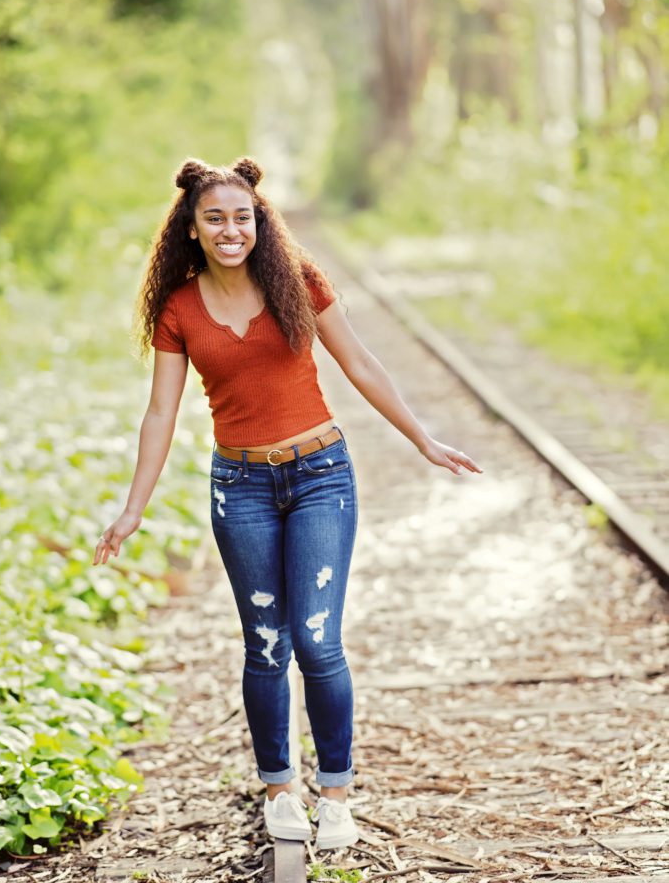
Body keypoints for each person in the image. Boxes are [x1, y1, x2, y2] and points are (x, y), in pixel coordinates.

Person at [94, 156, 482, 850]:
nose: (230, 229)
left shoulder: (297, 283)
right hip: (238, 487)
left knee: (317, 640)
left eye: (242, 217)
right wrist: (133, 507)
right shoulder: (178, 308)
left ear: (260, 221)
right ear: (191, 227)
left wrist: (421, 438)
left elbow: (359, 362)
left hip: (320, 477)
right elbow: (160, 413)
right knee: (265, 646)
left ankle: (335, 793)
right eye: (215, 218)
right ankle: (280, 788)